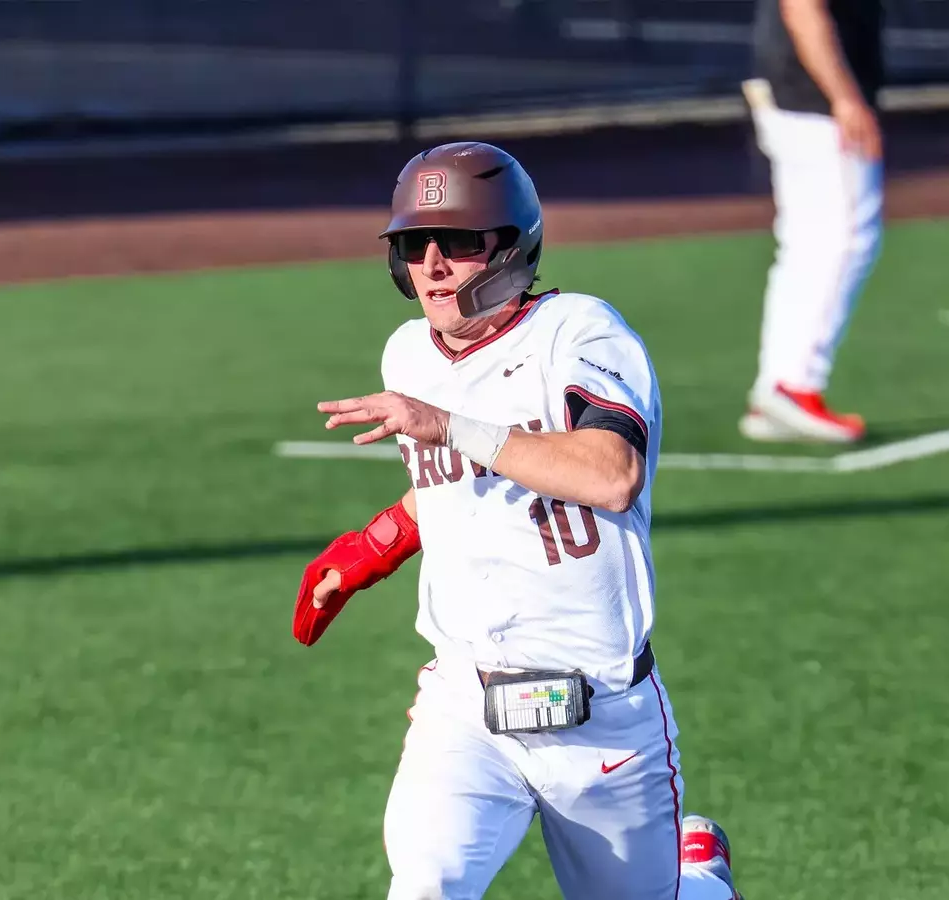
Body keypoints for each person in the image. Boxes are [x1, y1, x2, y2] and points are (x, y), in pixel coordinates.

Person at [292, 141, 740, 900]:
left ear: (510, 246)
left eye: (459, 242)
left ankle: (701, 880)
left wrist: (448, 425)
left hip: (601, 717)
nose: (434, 264)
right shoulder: (409, 354)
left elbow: (612, 473)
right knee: (426, 887)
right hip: (464, 707)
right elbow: (456, 491)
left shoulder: (579, 333)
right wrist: (376, 546)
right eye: (413, 245)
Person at [739, 0, 886, 443]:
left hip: (791, 86)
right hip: (810, 94)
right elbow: (802, 8)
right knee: (848, 239)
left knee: (805, 244)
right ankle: (795, 387)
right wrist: (844, 98)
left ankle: (776, 390)